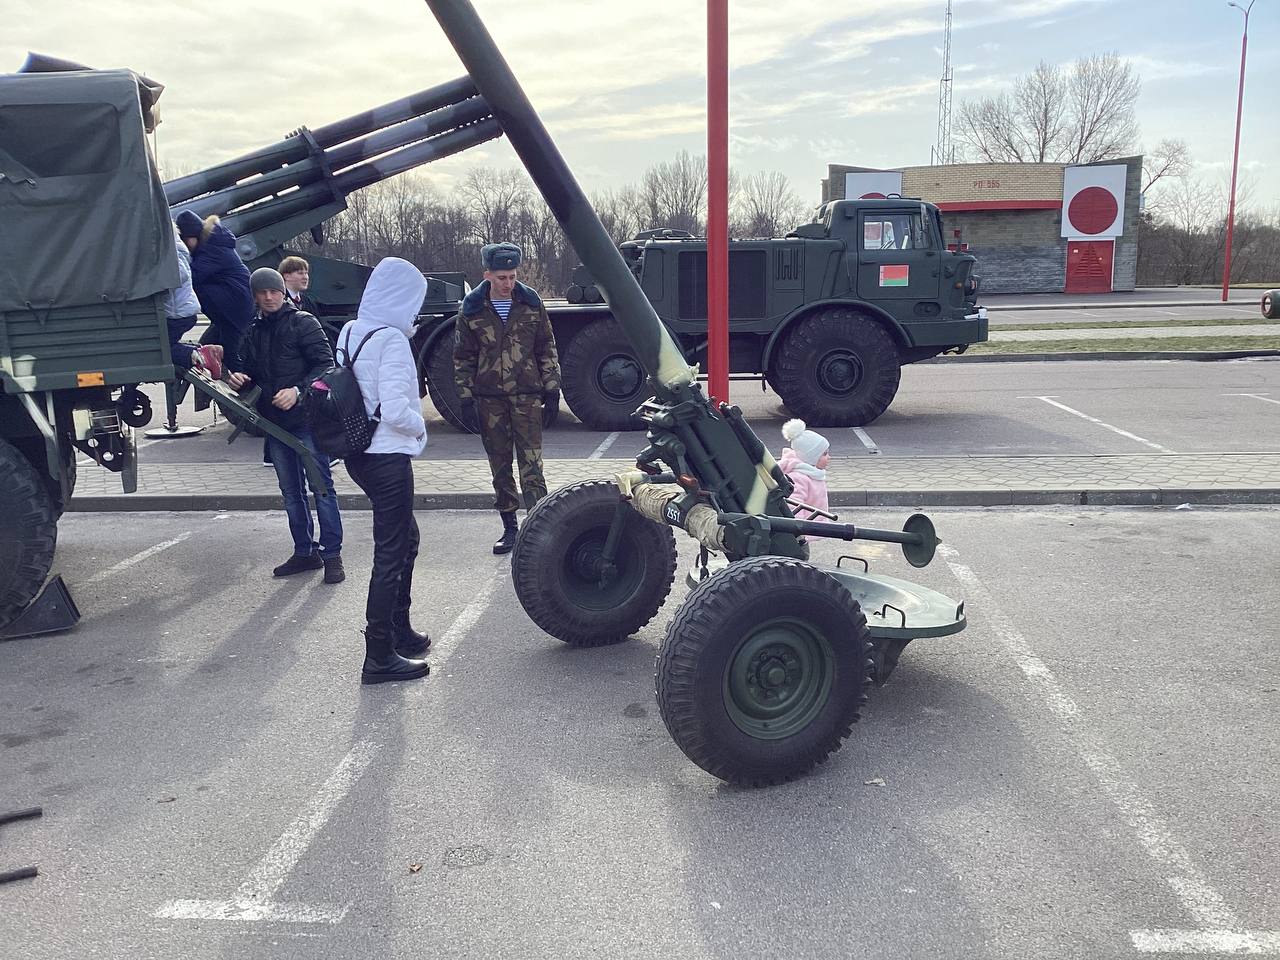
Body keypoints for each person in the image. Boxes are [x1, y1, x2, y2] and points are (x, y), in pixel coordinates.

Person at [338, 257, 432, 685]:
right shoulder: (392, 339)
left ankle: (400, 630)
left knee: (405, 539)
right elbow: (397, 410)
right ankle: (379, 654)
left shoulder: (352, 329)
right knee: (391, 552)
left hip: (357, 452)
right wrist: (419, 431)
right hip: (387, 455)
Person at [227, 268, 345, 583]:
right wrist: (237, 379)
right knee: (290, 492)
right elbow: (251, 373)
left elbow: (326, 366)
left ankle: (332, 556)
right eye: (262, 292)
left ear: (282, 292)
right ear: (255, 296)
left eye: (273, 291)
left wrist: (297, 391)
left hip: (307, 421)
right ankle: (305, 552)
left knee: (322, 490)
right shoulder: (253, 330)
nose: (268, 297)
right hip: (275, 426)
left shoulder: (303, 322)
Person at [453, 242, 561, 555]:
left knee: (532, 466)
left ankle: (539, 528)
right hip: (490, 401)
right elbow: (462, 356)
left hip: (527, 396)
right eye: (501, 277)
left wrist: (552, 390)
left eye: (512, 276)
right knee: (500, 466)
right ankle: (510, 528)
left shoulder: (530, 302)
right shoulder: (472, 309)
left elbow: (546, 346)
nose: (508, 283)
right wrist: (465, 398)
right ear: (486, 274)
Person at [175, 210, 254, 370]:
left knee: (232, 355)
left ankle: (244, 388)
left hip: (235, 309)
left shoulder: (212, 249)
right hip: (229, 309)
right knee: (207, 352)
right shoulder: (211, 245)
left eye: (185, 240)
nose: (185, 244)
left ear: (194, 235)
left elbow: (191, 277)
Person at [163, 222, 223, 377]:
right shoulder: (172, 244)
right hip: (179, 310)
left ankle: (201, 355)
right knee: (159, 348)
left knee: (156, 351)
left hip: (178, 313)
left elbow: (179, 274)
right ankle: (204, 352)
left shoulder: (171, 247)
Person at [778, 419, 831, 520]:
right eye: (824, 454)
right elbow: (794, 506)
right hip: (808, 532)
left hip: (819, 529)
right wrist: (799, 532)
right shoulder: (798, 478)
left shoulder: (813, 474)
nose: (829, 457)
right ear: (811, 457)